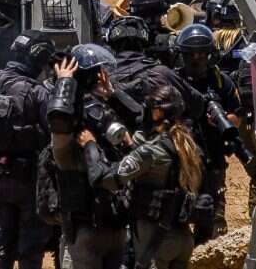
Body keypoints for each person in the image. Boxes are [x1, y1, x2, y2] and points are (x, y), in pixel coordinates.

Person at [80, 85, 203, 269]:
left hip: (156, 243)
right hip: (183, 239)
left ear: (159, 112)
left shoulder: (151, 151)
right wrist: (131, 147)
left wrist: (90, 145)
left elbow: (106, 179)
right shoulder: (187, 144)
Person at [47, 45, 134, 269]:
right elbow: (59, 117)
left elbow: (140, 117)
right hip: (88, 227)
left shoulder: (104, 116)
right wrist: (66, 82)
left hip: (111, 225)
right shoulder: (69, 142)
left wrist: (112, 95)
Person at [0, 30, 54, 269]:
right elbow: (54, 132)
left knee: (0, 248)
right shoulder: (38, 92)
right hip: (31, 181)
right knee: (30, 250)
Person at [174, 23, 240, 239]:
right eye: (191, 54)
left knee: (212, 218)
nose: (196, 59)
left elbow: (237, 115)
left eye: (201, 54)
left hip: (212, 156)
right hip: (181, 159)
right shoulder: (174, 81)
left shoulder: (221, 81)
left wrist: (222, 120)